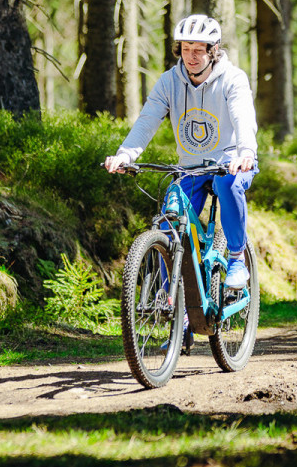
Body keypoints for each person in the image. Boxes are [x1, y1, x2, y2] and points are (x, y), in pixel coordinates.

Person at [103, 14, 258, 290]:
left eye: (199, 50)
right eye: (186, 49)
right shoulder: (168, 82)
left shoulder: (233, 79)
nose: (191, 56)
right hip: (191, 167)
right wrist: (125, 155)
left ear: (213, 51)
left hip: (232, 162)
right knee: (169, 221)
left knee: (228, 183)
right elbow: (147, 120)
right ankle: (174, 304)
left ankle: (236, 258)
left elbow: (242, 116)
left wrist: (245, 151)